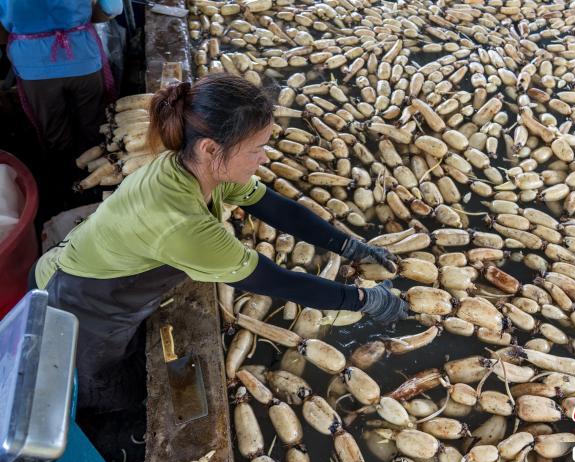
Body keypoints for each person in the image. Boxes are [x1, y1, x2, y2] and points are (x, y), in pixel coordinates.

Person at [29, 74, 410, 413]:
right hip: (79, 299)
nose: (264, 158)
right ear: (211, 148)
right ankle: (107, 420)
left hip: (100, 268)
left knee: (126, 345)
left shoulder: (196, 165)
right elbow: (276, 281)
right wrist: (364, 300)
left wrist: (350, 246)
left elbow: (277, 208)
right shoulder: (182, 224)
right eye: (256, 149)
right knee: (102, 382)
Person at [0, 0, 122, 214]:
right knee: (94, 129)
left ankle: (66, 193)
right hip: (82, 57)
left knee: (54, 134)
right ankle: (96, 190)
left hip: (33, 66)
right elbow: (112, 8)